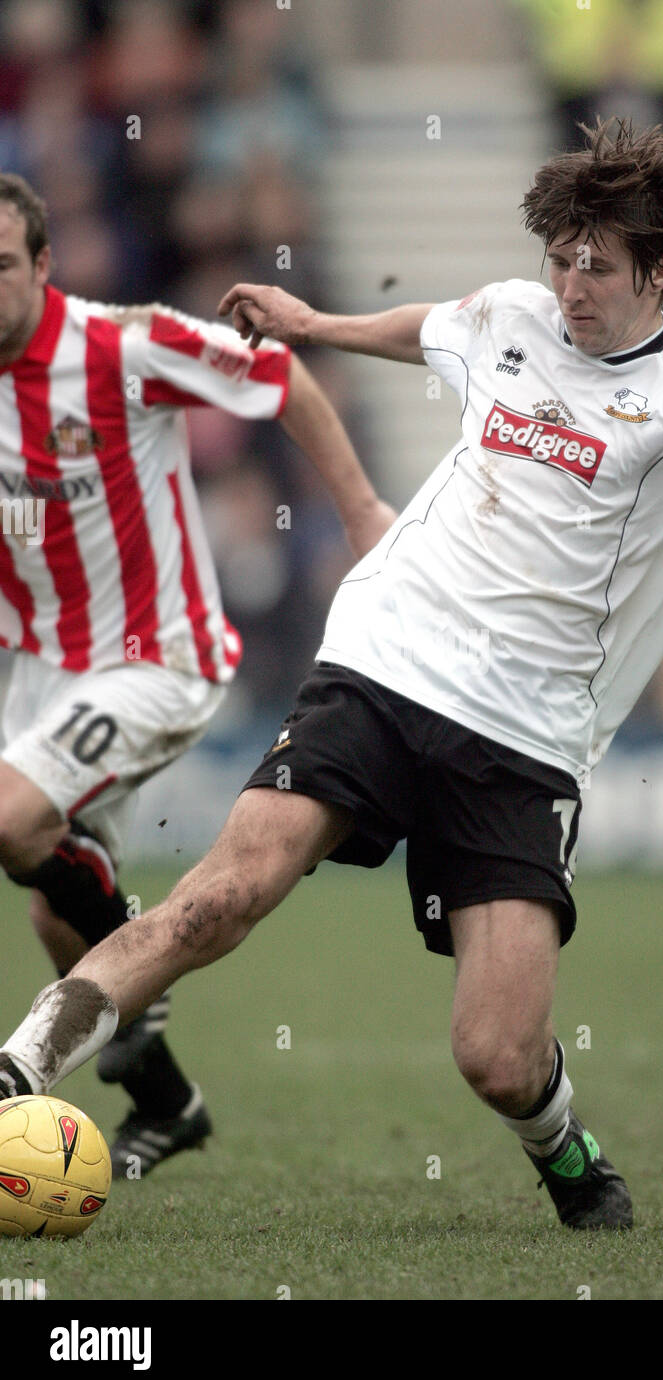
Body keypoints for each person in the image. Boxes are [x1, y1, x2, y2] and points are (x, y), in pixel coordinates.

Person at [0, 123, 663, 1229]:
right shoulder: (511, 313)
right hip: (386, 657)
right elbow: (426, 328)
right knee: (221, 896)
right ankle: (16, 1075)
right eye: (561, 259)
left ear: (660, 272)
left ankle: (568, 1153)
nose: (571, 287)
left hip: (525, 733)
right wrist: (313, 324)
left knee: (494, 1055)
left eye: (598, 268)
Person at [0, 173, 393, 1179]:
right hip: (37, 667)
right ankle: (170, 1103)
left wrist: (357, 516)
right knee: (54, 906)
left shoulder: (118, 345)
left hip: (153, 654)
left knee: (11, 822)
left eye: (1, 265)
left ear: (44, 267)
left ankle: (129, 945)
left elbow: (277, 375)